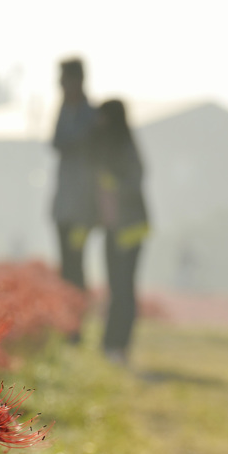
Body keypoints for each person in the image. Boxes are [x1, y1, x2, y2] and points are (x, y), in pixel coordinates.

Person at [91, 99, 149, 363]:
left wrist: (113, 184)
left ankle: (119, 345)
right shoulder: (108, 146)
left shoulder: (125, 147)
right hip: (114, 228)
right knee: (116, 287)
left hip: (130, 229)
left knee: (124, 287)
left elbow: (134, 182)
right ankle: (110, 344)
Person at [51, 58, 98, 296]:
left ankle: (76, 321)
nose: (60, 86)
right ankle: (69, 321)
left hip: (82, 206)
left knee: (75, 262)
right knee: (66, 265)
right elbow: (56, 143)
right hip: (63, 204)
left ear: (76, 81)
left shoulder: (91, 115)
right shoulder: (64, 111)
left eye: (63, 80)